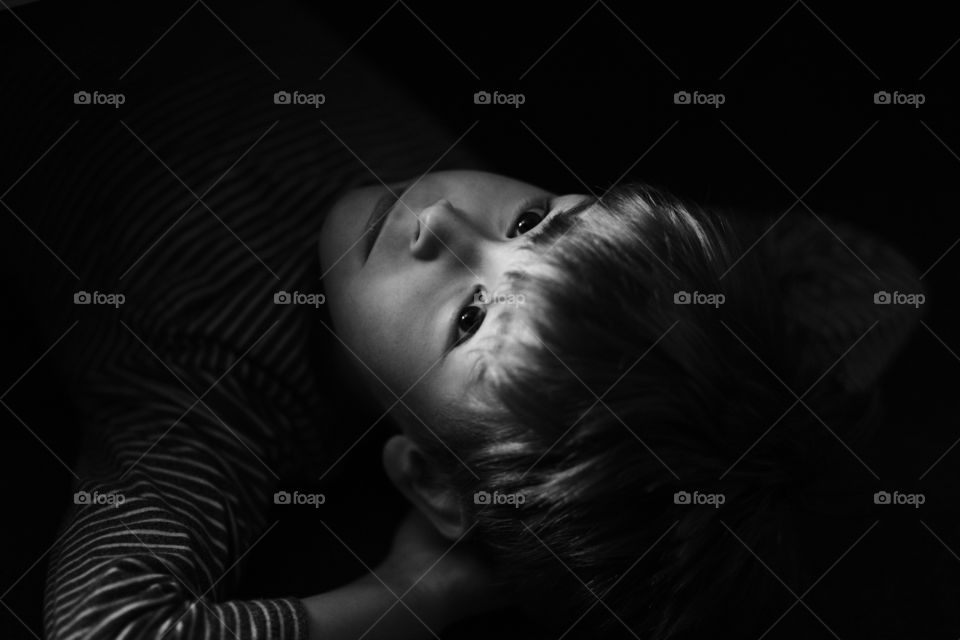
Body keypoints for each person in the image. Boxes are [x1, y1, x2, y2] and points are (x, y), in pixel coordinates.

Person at [0, 4, 928, 639]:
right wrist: (735, 381)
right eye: (533, 221)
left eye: (471, 316)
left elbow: (113, 626)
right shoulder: (580, 277)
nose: (444, 221)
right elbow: (877, 276)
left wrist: (410, 596)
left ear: (432, 482)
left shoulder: (215, 406)